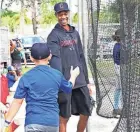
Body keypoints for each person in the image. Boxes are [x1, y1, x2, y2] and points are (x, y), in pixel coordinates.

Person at [3, 43, 80, 132]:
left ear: (31, 58)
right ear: (50, 56)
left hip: (33, 122)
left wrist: (7, 122)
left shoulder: (26, 77)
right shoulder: (57, 75)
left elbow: (17, 102)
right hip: (52, 123)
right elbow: (68, 88)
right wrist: (73, 76)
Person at [47, 2, 92, 132]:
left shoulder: (75, 32)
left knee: (86, 112)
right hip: (65, 81)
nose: (63, 16)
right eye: (60, 14)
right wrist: (59, 82)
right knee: (64, 116)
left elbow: (81, 57)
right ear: (56, 15)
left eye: (65, 13)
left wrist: (87, 81)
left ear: (68, 14)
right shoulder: (53, 35)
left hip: (80, 80)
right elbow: (55, 62)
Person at [112, 29, 122, 116]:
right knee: (123, 89)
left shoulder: (116, 45)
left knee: (118, 88)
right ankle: (122, 108)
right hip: (120, 69)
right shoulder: (120, 47)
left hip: (116, 67)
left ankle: (115, 108)